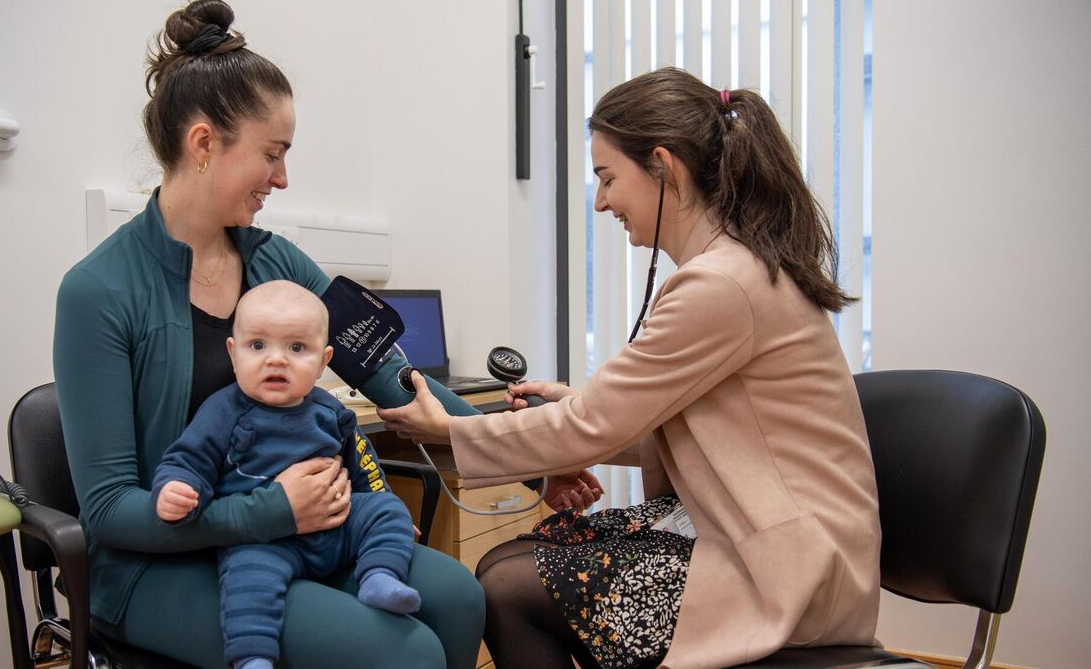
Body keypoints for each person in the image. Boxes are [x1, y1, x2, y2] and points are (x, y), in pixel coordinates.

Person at [378, 66, 881, 668]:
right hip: (765, 536)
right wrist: (574, 407)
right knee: (515, 562)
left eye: (607, 178)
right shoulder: (734, 268)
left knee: (507, 583)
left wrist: (449, 433)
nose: (600, 201)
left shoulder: (721, 284)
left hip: (788, 572)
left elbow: (598, 426)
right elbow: (693, 431)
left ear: (664, 168)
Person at [53, 0, 484, 667]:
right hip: (157, 567)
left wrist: (517, 447)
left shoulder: (276, 261)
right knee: (400, 654)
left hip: (299, 535)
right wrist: (270, 513)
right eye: (272, 155)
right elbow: (109, 512)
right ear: (204, 144)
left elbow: (392, 376)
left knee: (457, 596)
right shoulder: (99, 292)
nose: (283, 178)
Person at [153, 281, 421, 669]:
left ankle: (379, 577)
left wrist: (381, 508)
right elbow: (188, 459)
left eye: (296, 348)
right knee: (246, 580)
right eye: (257, 346)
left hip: (337, 527)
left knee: (387, 509)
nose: (275, 360)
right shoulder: (223, 411)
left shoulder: (330, 410)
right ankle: (253, 657)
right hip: (266, 541)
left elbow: (363, 465)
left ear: (324, 360)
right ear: (233, 353)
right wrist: (176, 488)